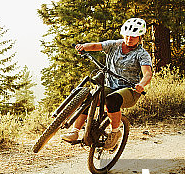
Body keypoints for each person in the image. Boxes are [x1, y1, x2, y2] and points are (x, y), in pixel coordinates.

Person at [61, 18, 153, 150]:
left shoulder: (142, 54)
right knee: (89, 98)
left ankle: (115, 132)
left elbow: (147, 74)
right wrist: (83, 47)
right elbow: (96, 46)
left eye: (133, 36)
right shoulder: (114, 45)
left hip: (130, 89)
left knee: (112, 100)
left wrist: (141, 85)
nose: (129, 39)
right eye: (127, 35)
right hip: (110, 85)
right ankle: (75, 131)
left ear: (140, 37)